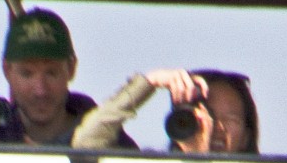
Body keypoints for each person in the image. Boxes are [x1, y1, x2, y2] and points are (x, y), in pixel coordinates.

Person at [0, 7, 130, 149]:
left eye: (51, 73)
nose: (40, 90)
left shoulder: (110, 140)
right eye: (27, 74)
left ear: (71, 69)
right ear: (7, 71)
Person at [74, 66, 260, 154]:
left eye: (230, 119)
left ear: (246, 137)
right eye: (206, 114)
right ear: (182, 121)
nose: (215, 126)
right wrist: (150, 82)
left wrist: (201, 156)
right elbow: (86, 144)